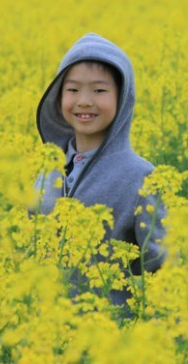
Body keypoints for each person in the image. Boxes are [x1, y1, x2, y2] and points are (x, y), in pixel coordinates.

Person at [34, 32, 167, 308]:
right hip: (43, 339)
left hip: (107, 341)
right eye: (72, 90)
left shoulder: (141, 178)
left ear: (123, 98)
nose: (84, 101)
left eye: (99, 90)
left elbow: (165, 268)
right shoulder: (48, 169)